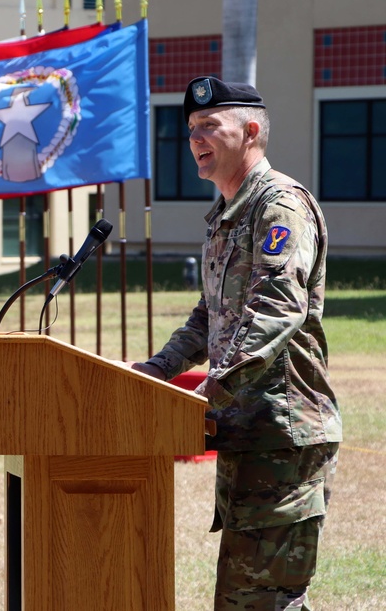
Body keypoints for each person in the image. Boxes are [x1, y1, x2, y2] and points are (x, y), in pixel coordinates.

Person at [130, 76, 343, 610]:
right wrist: (157, 371)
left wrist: (210, 390)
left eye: (209, 126)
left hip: (283, 433)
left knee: (260, 601)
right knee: (257, 598)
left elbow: (276, 308)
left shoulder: (279, 208)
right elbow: (211, 315)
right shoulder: (228, 215)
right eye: (191, 130)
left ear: (250, 132)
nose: (195, 138)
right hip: (246, 431)